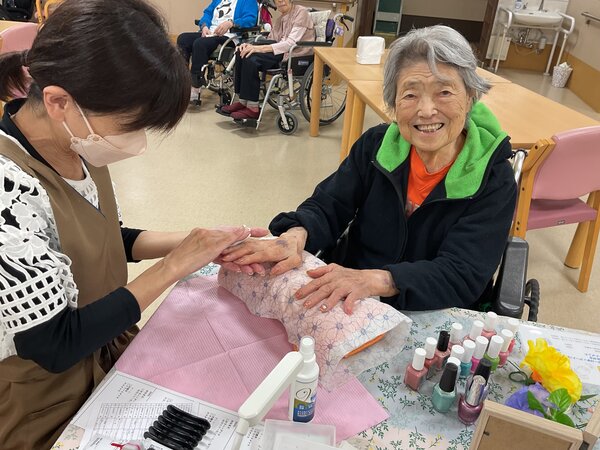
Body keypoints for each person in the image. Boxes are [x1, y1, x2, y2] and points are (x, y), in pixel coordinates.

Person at [0, 0, 265, 448]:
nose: (136, 142)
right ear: (59, 102)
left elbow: (105, 237)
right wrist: (173, 267)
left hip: (106, 349)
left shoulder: (76, 141)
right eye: (128, 126)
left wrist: (197, 241)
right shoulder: (9, 188)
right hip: (44, 395)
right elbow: (53, 344)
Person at [219, 25, 518, 313]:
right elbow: (330, 204)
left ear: (470, 97)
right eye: (410, 94)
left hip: (434, 310)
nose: (426, 110)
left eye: (444, 92)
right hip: (353, 298)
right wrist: (296, 235)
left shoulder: (493, 177)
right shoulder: (377, 146)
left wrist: (378, 281)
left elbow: (461, 273)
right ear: (393, 103)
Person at [217, 0, 315, 120]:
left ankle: (252, 108)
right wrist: (249, 45)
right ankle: (243, 101)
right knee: (242, 53)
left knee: (251, 59)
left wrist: (258, 48)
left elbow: (290, 43)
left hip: (295, 55)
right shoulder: (280, 19)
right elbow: (271, 40)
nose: (281, 1)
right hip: (280, 52)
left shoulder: (301, 13)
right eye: (277, 0)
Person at [177, 0, 258, 104]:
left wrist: (231, 23)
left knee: (200, 43)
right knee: (183, 39)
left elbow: (250, 19)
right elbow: (207, 13)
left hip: (229, 36)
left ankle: (195, 87)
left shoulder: (248, 1)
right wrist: (204, 26)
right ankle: (181, 81)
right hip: (210, 33)